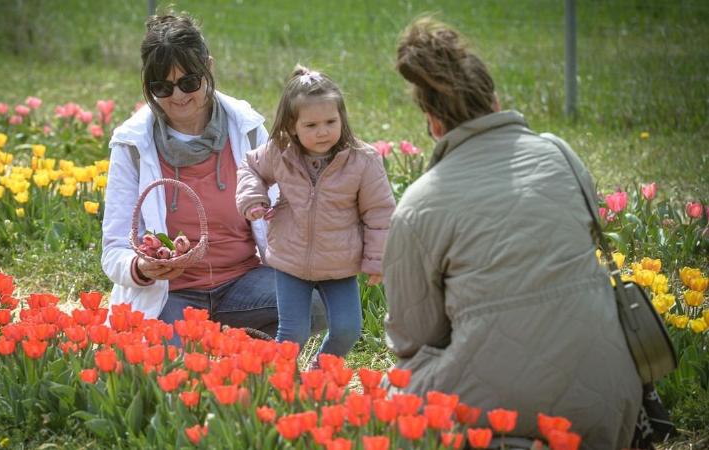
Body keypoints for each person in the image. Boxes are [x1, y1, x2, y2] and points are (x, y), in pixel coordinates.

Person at [382, 17, 644, 448]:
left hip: (496, 410)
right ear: (496, 101)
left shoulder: (420, 203)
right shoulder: (560, 155)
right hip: (608, 405)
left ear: (433, 124)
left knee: (388, 394)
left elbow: (413, 337)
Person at [102, 12, 300, 341]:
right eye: (162, 87)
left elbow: (282, 214)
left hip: (243, 283)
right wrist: (141, 268)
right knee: (166, 364)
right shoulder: (132, 144)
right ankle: (218, 348)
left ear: (209, 67)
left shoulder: (247, 129)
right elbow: (114, 250)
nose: (178, 96)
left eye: (189, 82)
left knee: (313, 302)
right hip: (171, 294)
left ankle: (245, 352)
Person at [236, 66, 396, 361]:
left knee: (347, 330)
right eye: (311, 125)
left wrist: (377, 258)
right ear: (291, 125)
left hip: (339, 264)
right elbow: (250, 168)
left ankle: (320, 375)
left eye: (330, 122)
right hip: (290, 260)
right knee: (292, 334)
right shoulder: (280, 152)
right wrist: (254, 198)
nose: (323, 131)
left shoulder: (362, 161)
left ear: (342, 117)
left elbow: (380, 213)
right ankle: (273, 378)